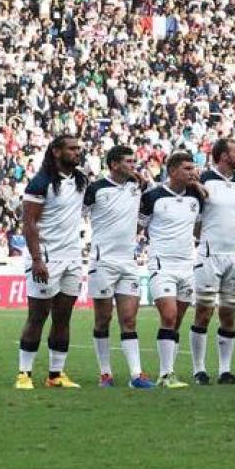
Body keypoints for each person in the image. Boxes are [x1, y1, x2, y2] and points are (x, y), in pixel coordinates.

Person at [15, 135, 88, 390]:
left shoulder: (81, 179)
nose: (77, 152)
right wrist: (37, 259)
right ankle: (24, 374)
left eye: (78, 148)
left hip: (72, 257)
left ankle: (55, 375)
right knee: (37, 315)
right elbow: (29, 224)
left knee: (63, 316)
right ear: (56, 151)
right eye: (72, 148)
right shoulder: (40, 182)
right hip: (46, 258)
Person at [83, 146, 153, 388]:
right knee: (103, 318)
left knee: (129, 319)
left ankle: (136, 375)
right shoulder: (95, 189)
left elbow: (148, 198)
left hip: (128, 262)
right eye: (128, 161)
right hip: (103, 261)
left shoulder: (138, 186)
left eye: (134, 161)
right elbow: (77, 213)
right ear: (113, 164)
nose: (134, 165)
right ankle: (105, 373)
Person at [139, 152, 206, 389]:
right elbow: (139, 225)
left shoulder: (196, 197)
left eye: (194, 168)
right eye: (187, 168)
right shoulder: (153, 196)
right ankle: (165, 374)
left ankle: (170, 372)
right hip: (161, 264)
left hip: (187, 264)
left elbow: (198, 228)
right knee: (168, 315)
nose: (193, 172)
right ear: (173, 170)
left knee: (176, 322)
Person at [191, 138, 235, 385]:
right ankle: (199, 370)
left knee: (229, 313)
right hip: (209, 254)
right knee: (203, 312)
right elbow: (193, 220)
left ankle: (225, 370)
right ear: (224, 156)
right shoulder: (203, 180)